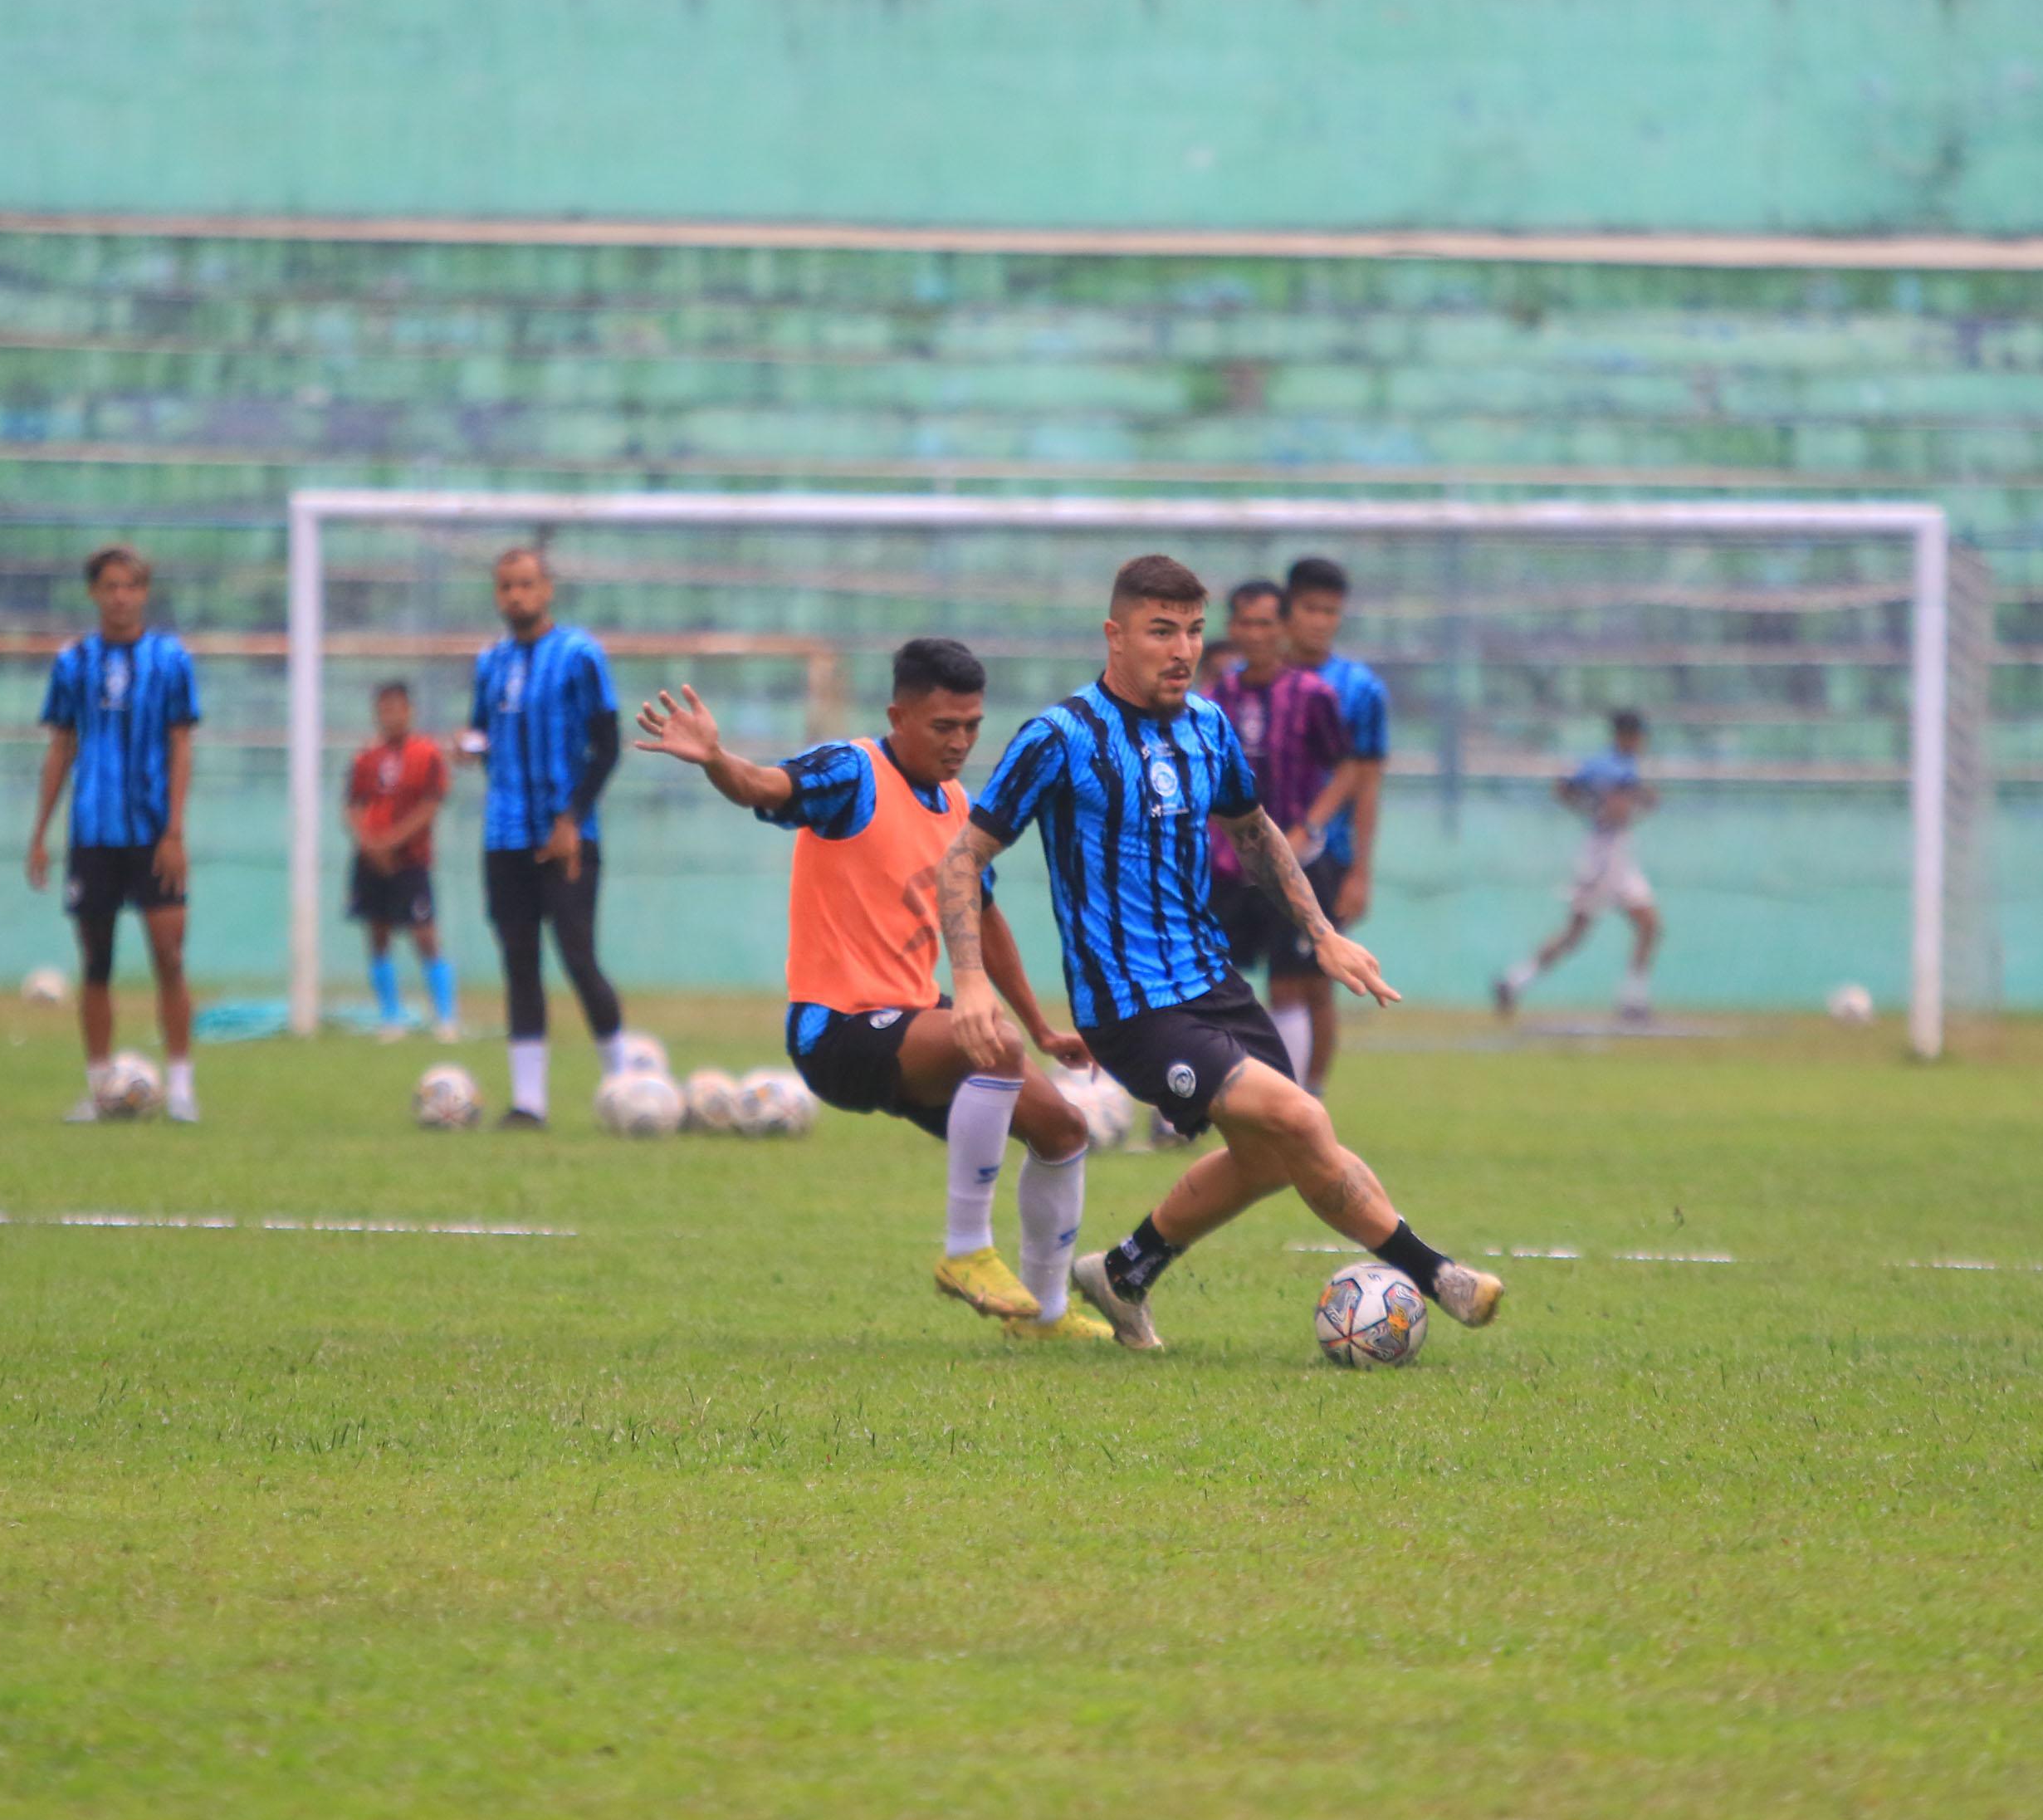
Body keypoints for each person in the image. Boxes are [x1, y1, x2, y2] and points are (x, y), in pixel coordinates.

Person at [938, 554, 1503, 1353]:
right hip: (1132, 1007)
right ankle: (1437, 1275)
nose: (1182, 649)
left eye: (1194, 631)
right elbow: (962, 858)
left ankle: (1126, 1270)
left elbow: (1252, 829)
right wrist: (968, 981)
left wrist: (1323, 932)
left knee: (1274, 1156)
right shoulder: (1061, 737)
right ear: (1115, 635)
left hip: (1214, 981)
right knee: (1301, 1117)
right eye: (1161, 631)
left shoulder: (1208, 726)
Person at [635, 638, 1113, 1343]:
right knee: (993, 1046)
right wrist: (715, 760)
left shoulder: (958, 805)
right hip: (836, 1031)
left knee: (1064, 1129)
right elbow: (765, 788)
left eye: (972, 726)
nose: (960, 743)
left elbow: (983, 918)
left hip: (914, 1026)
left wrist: (1042, 1029)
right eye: (942, 727)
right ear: (899, 715)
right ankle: (966, 1252)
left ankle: (1043, 1317)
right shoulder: (852, 771)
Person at [26, 546, 201, 1123]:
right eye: (110, 586)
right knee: (95, 960)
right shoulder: (73, 662)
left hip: (153, 832)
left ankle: (180, 1088)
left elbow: (181, 743)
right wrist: (40, 832)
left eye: (131, 586)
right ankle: (100, 1086)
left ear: (144, 592)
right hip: (93, 831)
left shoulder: (171, 659)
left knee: (169, 955)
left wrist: (174, 829)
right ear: (95, 593)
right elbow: (61, 746)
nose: (121, 596)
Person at [467, 547, 632, 1128]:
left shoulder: (580, 655)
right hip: (504, 836)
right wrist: (467, 750)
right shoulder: (489, 662)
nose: (516, 595)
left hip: (568, 835)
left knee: (578, 954)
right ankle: (528, 1102)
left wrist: (570, 819)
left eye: (526, 584)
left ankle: (625, 1084)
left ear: (547, 590)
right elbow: (482, 737)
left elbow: (607, 745)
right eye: (506, 585)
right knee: (518, 960)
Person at [1203, 580, 1353, 1084]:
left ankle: (1297, 1102)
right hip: (1225, 865)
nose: (1255, 633)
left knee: (1290, 985)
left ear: (1283, 628)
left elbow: (1347, 768)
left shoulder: (1313, 695)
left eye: (1266, 622)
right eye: (1244, 622)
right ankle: (1199, 1096)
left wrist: (1309, 826)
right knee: (1214, 980)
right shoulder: (1213, 698)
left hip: (1296, 865)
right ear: (1230, 627)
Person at [1280, 557, 1389, 1097]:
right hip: (1254, 847)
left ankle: (1309, 1095)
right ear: (1289, 609)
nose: (1320, 621)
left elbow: (1367, 782)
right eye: (1310, 609)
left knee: (1313, 984)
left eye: (1331, 611)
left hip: (1327, 853)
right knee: (1271, 979)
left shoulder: (1360, 689)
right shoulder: (1258, 678)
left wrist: (1360, 872)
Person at [1495, 710, 1663, 1020]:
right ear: (1628, 736)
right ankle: (1515, 981)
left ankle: (1633, 999)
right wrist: (1635, 803)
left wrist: (1587, 807)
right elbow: (1617, 807)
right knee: (1578, 932)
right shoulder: (1621, 768)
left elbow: (1564, 787)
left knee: (1649, 924)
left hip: (1615, 852)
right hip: (1605, 854)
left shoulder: (1599, 764)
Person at [345, 680, 459, 1041]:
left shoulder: (426, 754)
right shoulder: (366, 757)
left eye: (396, 708)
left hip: (410, 860)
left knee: (425, 935)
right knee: (377, 934)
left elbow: (431, 803)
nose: (389, 716)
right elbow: (353, 805)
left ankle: (445, 1018)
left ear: (409, 710)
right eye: (383, 709)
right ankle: (390, 1017)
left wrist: (393, 841)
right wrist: (369, 842)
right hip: (371, 861)